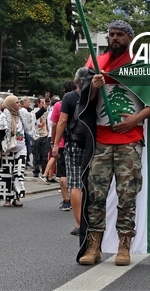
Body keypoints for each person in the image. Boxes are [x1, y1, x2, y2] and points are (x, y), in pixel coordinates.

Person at [79, 21, 150, 268]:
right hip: (101, 139)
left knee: (127, 195)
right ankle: (93, 246)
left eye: (120, 35)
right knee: (96, 194)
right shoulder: (95, 63)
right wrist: (92, 87)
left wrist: (134, 119)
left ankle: (125, 245)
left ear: (129, 38)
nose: (114, 38)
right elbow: (84, 100)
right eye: (111, 34)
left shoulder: (140, 65)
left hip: (130, 141)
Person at [54, 68, 93, 234]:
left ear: (76, 81)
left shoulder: (69, 97)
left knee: (76, 184)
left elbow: (62, 121)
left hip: (74, 143)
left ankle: (79, 224)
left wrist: (56, 144)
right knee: (92, 184)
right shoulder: (95, 96)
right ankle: (94, 222)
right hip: (93, 144)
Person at [0, 95, 27, 207]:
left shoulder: (22, 115)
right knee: (6, 174)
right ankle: (7, 198)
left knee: (19, 173)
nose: (19, 104)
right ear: (11, 105)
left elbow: (33, 118)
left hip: (21, 147)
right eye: (16, 102)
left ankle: (17, 197)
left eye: (19, 102)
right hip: (8, 148)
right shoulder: (4, 116)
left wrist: (43, 109)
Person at [32, 96, 50, 179]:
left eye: (44, 102)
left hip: (44, 134)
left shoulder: (46, 111)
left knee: (44, 154)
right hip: (37, 135)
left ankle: (44, 170)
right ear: (38, 103)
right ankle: (36, 170)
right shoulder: (34, 112)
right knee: (36, 154)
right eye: (42, 102)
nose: (44, 104)